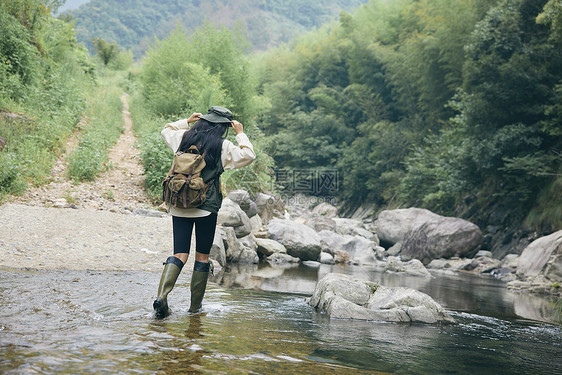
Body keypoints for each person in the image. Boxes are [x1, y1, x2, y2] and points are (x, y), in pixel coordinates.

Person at [153, 106, 255, 318]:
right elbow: (248, 155)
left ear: (204, 120)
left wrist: (185, 121)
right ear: (224, 127)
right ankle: (194, 310)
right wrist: (240, 134)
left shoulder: (183, 136)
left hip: (179, 203)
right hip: (205, 208)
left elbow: (165, 130)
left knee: (179, 253)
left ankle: (161, 297)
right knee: (202, 256)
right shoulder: (223, 145)